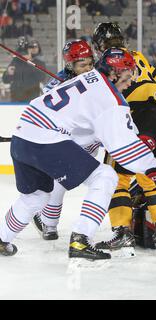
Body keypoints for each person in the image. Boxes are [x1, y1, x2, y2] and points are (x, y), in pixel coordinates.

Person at [0, 48, 156, 259]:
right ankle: (81, 240)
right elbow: (126, 152)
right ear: (114, 73)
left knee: (35, 197)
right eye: (128, 75)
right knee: (106, 176)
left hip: (23, 137)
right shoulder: (111, 99)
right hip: (46, 139)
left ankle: (2, 238)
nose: (130, 82)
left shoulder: (88, 78)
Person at [91, 23, 156, 254]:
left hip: (136, 120)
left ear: (99, 45)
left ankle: (122, 235)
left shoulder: (105, 64)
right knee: (147, 173)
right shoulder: (139, 57)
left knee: (115, 177)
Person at [32, 39, 96, 240]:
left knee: (105, 180)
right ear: (70, 65)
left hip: (92, 139)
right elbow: (45, 106)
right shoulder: (58, 81)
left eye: (90, 63)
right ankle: (49, 226)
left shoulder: (97, 77)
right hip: (70, 140)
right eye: (82, 65)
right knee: (59, 184)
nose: (88, 68)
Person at [2, 36, 47, 102]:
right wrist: (8, 73)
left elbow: (42, 77)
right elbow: (5, 80)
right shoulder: (15, 61)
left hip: (32, 98)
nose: (23, 53)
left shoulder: (39, 63)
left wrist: (30, 62)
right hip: (16, 98)